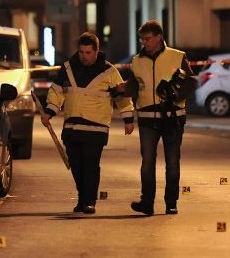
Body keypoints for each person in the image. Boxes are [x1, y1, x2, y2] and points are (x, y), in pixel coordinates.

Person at [42, 32, 135, 214]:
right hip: (72, 126)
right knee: (76, 166)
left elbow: (122, 97)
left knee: (91, 165)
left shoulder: (109, 72)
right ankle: (82, 198)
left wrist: (128, 119)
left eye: (88, 52)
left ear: (96, 51)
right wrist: (49, 111)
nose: (84, 56)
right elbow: (56, 92)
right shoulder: (68, 68)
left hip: (96, 128)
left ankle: (89, 201)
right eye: (81, 52)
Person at [127, 20, 193, 216]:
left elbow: (191, 82)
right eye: (142, 39)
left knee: (172, 162)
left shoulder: (177, 56)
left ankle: (171, 203)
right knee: (147, 162)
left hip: (172, 118)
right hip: (147, 118)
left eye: (147, 39)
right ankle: (146, 202)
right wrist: (121, 90)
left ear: (159, 37)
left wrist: (175, 94)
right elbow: (134, 86)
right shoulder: (137, 60)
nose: (144, 43)